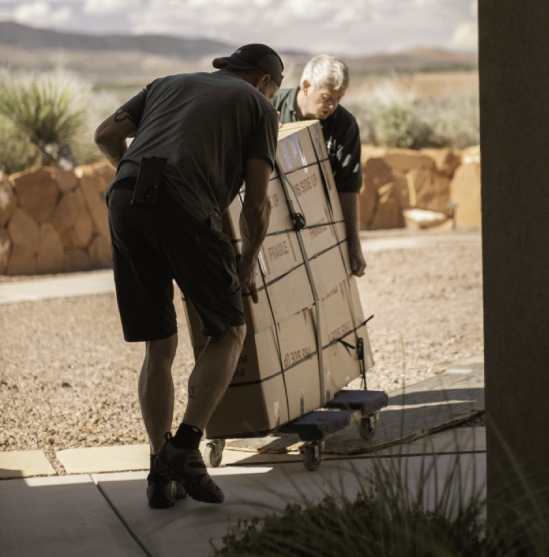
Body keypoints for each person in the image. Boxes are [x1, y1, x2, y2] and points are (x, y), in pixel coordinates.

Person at [93, 44, 283, 508]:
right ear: (263, 81)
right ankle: (185, 446)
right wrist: (247, 264)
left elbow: (105, 135)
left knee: (159, 346)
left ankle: (160, 471)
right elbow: (257, 206)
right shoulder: (258, 106)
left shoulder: (166, 84)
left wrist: (135, 177)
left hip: (125, 200)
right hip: (185, 203)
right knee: (230, 330)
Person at [271, 54, 366, 277]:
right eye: (326, 98)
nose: (332, 106)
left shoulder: (344, 124)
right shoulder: (270, 106)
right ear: (306, 86)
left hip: (319, 223)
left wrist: (354, 244)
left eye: (339, 99)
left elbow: (347, 188)